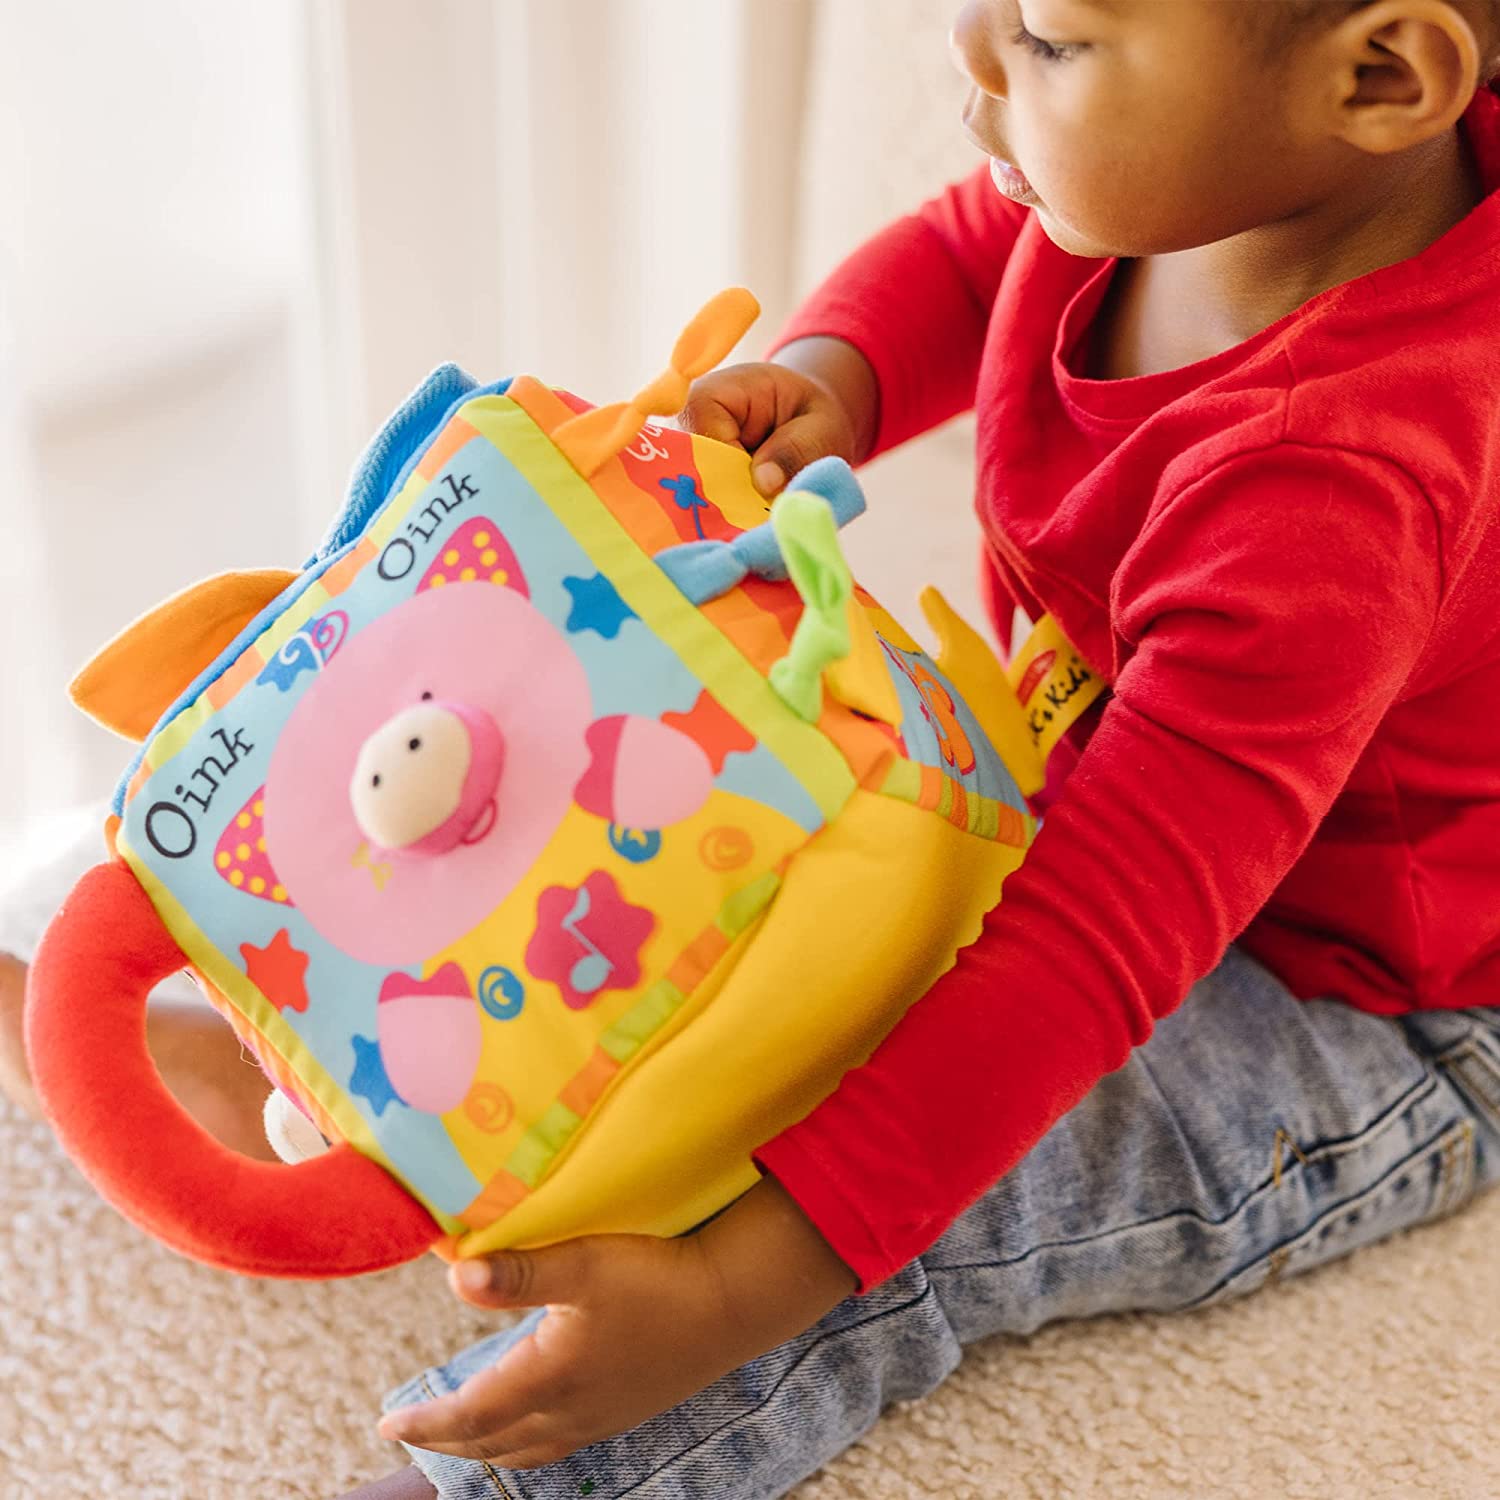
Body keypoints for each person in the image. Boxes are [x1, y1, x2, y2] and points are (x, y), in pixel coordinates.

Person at [4, 3, 1500, 1496]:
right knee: (680, 856)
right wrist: (834, 374)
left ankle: (512, 1470)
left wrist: (743, 1285)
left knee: (921, 1190)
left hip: (1360, 1010)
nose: (971, 48)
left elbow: (1092, 943)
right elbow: (971, 251)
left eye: (1050, 36)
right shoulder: (1206, 186)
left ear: (1382, 77)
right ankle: (345, 1082)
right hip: (1099, 794)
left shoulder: (1336, 495)